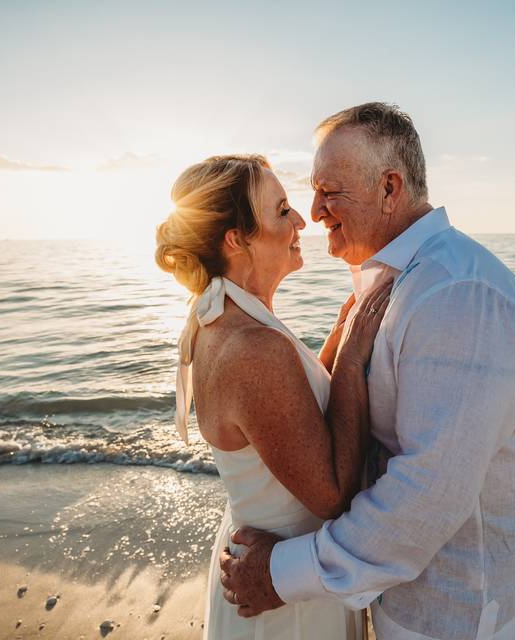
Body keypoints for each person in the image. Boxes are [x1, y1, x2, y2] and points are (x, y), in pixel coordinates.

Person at [219, 103, 515, 640]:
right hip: (397, 590)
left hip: (453, 610)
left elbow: (427, 494)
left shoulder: (457, 295)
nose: (315, 211)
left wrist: (282, 573)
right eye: (312, 190)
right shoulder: (396, 280)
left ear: (390, 188)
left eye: (331, 192)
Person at [155, 154, 391, 640]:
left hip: (280, 558)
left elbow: (290, 415)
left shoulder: (225, 318)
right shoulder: (251, 347)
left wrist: (337, 340)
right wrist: (351, 361)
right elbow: (330, 495)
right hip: (285, 587)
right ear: (237, 239)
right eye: (282, 210)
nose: (302, 219)